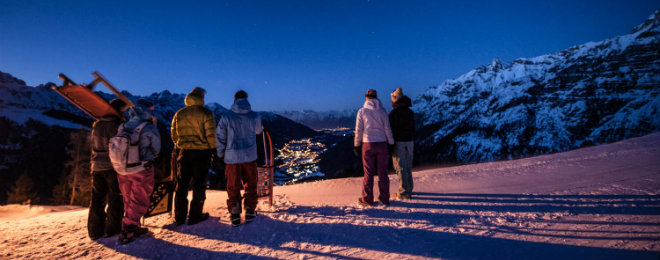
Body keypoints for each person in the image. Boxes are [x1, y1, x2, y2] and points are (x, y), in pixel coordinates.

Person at [117, 99, 161, 244]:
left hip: (122, 168)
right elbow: (157, 149)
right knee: (140, 198)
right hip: (141, 167)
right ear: (148, 109)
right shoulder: (148, 127)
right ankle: (130, 228)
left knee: (128, 197)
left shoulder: (123, 125)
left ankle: (129, 224)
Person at [216, 90, 263, 226]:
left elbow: (220, 137)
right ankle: (249, 210)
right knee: (251, 183)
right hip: (249, 155)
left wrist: (220, 155)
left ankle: (235, 213)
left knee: (233, 185)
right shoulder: (254, 115)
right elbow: (258, 131)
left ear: (234, 99)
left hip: (232, 157)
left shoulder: (226, 116)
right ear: (247, 99)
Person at [171, 87, 216, 226]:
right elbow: (211, 135)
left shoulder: (179, 113)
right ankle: (195, 215)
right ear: (201, 97)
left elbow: (174, 134)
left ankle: (179, 216)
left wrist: (180, 145)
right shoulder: (206, 113)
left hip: (184, 152)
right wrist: (213, 149)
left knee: (182, 184)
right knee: (199, 184)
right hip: (202, 153)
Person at [87, 98, 127, 240]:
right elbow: (120, 147)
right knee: (115, 198)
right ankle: (112, 229)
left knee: (97, 199)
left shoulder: (97, 124)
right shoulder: (118, 125)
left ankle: (94, 230)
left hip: (97, 166)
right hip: (112, 167)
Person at [354, 89, 394, 206]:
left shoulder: (362, 111)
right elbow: (387, 129)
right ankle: (384, 198)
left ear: (366, 97)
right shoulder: (383, 112)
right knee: (383, 172)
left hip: (368, 144)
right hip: (382, 144)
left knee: (368, 173)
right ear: (376, 97)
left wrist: (356, 145)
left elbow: (359, 130)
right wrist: (391, 143)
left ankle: (367, 199)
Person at [389, 88, 415, 200]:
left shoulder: (394, 113)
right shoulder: (410, 112)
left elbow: (391, 130)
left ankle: (404, 192)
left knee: (400, 167)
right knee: (408, 166)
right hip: (410, 141)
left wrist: (390, 144)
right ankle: (409, 189)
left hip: (399, 142)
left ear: (395, 99)